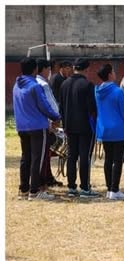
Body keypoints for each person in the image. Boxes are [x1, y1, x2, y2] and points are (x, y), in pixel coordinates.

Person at [13, 57, 61, 201]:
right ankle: (35, 191)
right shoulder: (35, 86)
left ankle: (24, 189)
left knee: (25, 158)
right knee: (38, 159)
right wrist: (56, 117)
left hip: (22, 127)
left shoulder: (16, 85)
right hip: (37, 127)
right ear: (35, 69)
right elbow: (44, 105)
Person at [60, 58, 99, 197]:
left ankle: (71, 187)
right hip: (85, 126)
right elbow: (92, 108)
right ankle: (85, 187)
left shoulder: (64, 84)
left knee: (71, 156)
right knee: (84, 157)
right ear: (86, 69)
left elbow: (61, 107)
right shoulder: (88, 85)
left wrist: (64, 124)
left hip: (69, 126)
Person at [94, 63, 124, 200]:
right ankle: (115, 189)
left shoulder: (96, 91)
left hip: (104, 129)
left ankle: (109, 188)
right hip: (118, 129)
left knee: (108, 159)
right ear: (110, 74)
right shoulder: (117, 91)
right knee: (117, 160)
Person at [34, 59, 61, 189]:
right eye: (49, 69)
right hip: (46, 123)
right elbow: (49, 104)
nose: (49, 72)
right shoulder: (42, 84)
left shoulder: (32, 82)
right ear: (44, 69)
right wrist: (56, 118)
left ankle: (47, 178)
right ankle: (43, 182)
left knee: (40, 155)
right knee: (44, 155)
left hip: (31, 124)